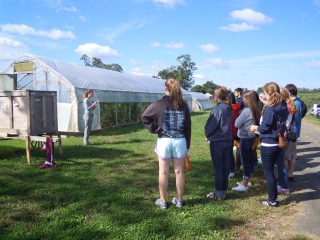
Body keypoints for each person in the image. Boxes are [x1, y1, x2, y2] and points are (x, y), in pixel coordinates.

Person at [141, 78, 191, 209]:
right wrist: (187, 145)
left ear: (165, 88)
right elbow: (188, 127)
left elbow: (144, 117)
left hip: (164, 140)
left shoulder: (159, 104)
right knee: (179, 172)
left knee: (163, 172)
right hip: (180, 140)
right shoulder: (184, 105)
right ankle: (179, 200)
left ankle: (163, 201)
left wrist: (156, 129)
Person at [250, 82, 289, 207]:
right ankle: (274, 195)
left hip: (269, 143)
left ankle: (272, 200)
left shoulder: (270, 109)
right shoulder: (283, 106)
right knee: (276, 168)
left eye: (265, 92)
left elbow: (264, 128)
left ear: (268, 93)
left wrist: (255, 127)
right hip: (279, 142)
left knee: (269, 173)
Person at [205, 86, 233, 200]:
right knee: (225, 167)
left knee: (218, 168)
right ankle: (223, 191)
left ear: (216, 96)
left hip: (218, 141)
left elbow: (211, 126)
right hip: (227, 140)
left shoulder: (217, 110)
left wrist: (207, 134)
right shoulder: (228, 108)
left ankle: (219, 193)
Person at [232, 91, 260, 192]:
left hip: (245, 137)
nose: (242, 100)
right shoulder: (255, 109)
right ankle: (248, 180)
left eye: (244, 98)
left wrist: (240, 124)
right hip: (251, 136)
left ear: (249, 99)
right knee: (248, 159)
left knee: (245, 160)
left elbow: (236, 124)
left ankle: (244, 184)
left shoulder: (246, 110)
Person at [277, 87, 298, 194]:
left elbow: (283, 123)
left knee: (283, 160)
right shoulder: (291, 105)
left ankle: (283, 182)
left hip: (284, 135)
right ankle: (289, 176)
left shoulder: (283, 107)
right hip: (291, 134)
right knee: (291, 156)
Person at [285, 84, 302, 182]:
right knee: (292, 154)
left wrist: (294, 132)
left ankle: (287, 175)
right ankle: (290, 174)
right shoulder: (297, 102)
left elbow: (296, 120)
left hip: (291, 132)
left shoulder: (295, 103)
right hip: (294, 132)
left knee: (288, 155)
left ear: (289, 93)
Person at [227, 90, 240, 178]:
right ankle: (232, 169)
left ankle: (231, 170)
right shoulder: (237, 107)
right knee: (229, 152)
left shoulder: (229, 109)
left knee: (228, 152)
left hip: (229, 132)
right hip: (235, 131)